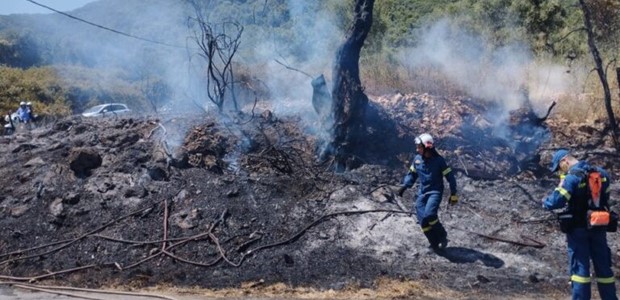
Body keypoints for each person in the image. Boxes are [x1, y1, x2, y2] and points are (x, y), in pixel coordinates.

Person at [543, 149, 617, 300]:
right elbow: (606, 198)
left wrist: (545, 201)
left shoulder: (571, 178)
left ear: (565, 161)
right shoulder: (602, 174)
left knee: (580, 269)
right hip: (599, 226)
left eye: (558, 168)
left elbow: (556, 201)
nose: (559, 172)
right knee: (604, 268)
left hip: (578, 229)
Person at [397, 133, 458, 250]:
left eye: (419, 147)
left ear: (427, 147)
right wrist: (404, 186)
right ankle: (434, 243)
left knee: (430, 215)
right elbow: (412, 175)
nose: (417, 149)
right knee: (423, 221)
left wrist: (453, 193)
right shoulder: (417, 160)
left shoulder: (439, 161)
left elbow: (450, 177)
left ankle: (442, 236)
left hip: (435, 192)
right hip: (422, 192)